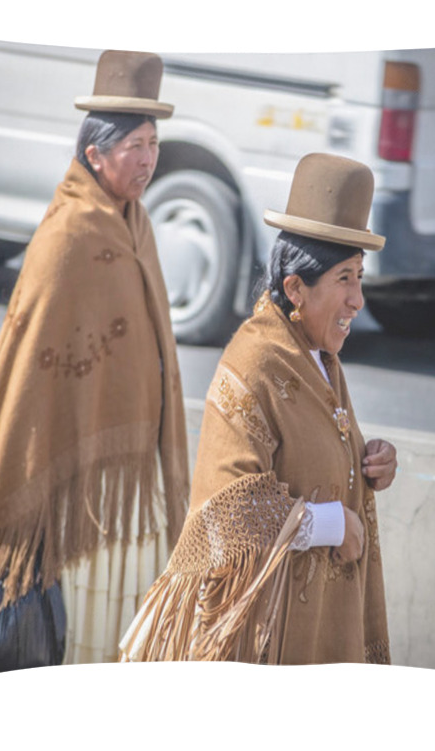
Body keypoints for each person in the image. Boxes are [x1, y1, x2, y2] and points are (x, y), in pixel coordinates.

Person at [0, 50, 190, 684]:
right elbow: (35, 372)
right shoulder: (70, 233)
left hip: (84, 482)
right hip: (38, 457)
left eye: (154, 144)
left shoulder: (136, 225)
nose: (148, 159)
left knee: (47, 633)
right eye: (135, 146)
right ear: (95, 154)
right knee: (14, 621)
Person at [120, 153, 396, 664]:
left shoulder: (318, 358)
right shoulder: (255, 364)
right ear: (295, 288)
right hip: (262, 639)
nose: (358, 299)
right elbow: (230, 515)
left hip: (314, 627)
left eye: (360, 277)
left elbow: (322, 449)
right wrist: (335, 524)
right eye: (344, 279)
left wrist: (370, 459)